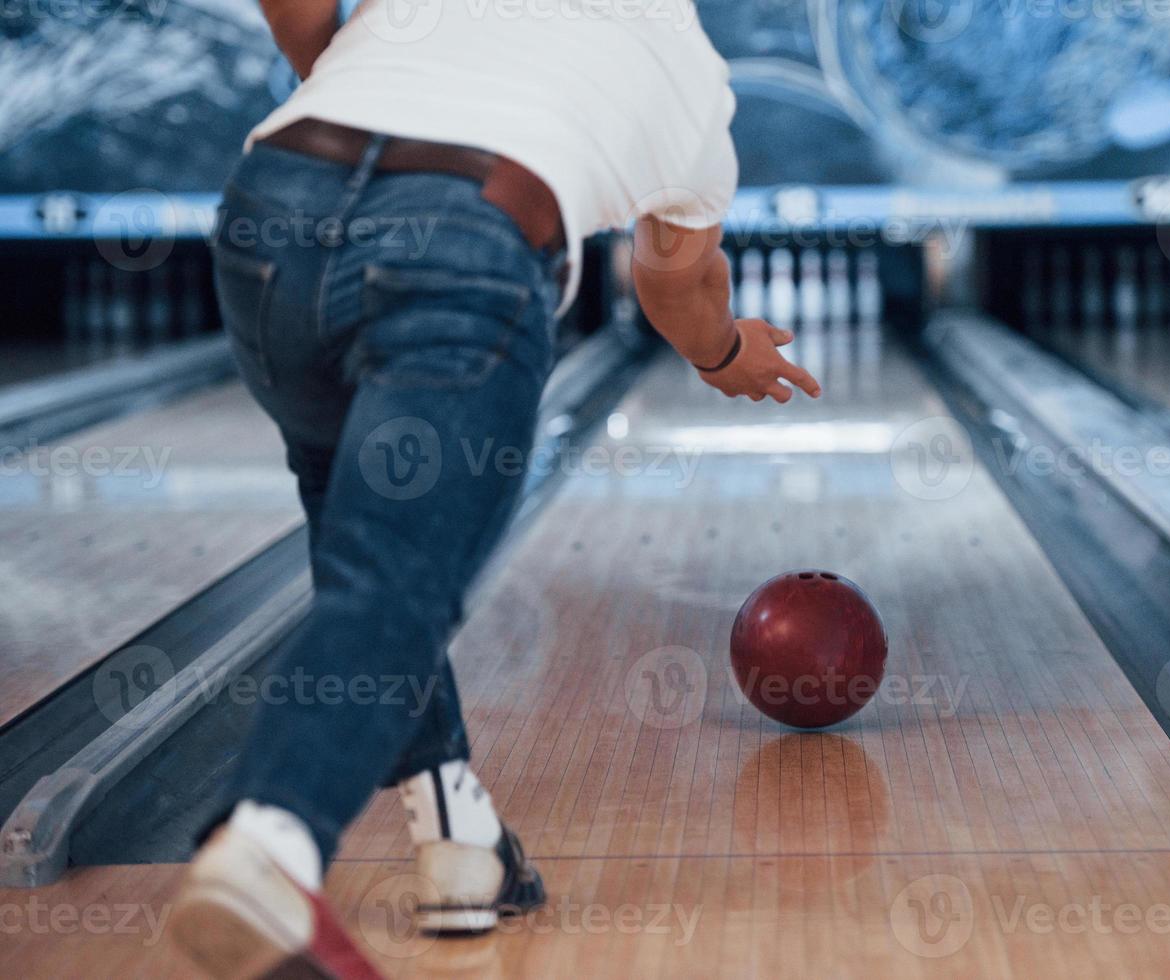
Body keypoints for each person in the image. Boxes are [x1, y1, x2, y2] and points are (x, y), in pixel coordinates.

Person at [168, 1, 821, 976]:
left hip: (272, 214)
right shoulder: (689, 75)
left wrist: (325, 65)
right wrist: (725, 353)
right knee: (394, 571)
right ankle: (271, 839)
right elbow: (676, 288)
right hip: (464, 243)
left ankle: (454, 833)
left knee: (357, 527)